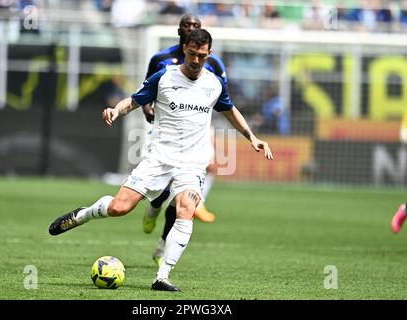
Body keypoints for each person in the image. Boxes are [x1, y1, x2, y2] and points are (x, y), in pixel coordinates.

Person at [48, 29, 273, 292]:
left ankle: (162, 276)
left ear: (208, 54)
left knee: (185, 210)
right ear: (184, 50)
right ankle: (82, 215)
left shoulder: (214, 84)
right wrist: (115, 111)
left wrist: (252, 137)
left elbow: (230, 110)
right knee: (120, 208)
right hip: (160, 157)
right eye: (191, 54)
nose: (196, 60)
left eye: (202, 55)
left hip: (192, 162)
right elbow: (133, 101)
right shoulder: (164, 77)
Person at [141, 13, 227, 265]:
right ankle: (152, 209)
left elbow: (221, 98)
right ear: (179, 30)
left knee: (181, 199)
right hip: (164, 133)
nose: (191, 28)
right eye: (187, 26)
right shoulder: (160, 59)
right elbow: (146, 90)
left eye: (195, 26)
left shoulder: (214, 64)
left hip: (197, 134)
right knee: (161, 191)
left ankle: (161, 248)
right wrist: (147, 108)